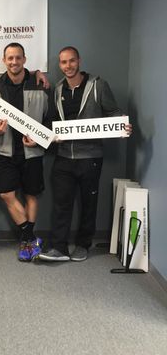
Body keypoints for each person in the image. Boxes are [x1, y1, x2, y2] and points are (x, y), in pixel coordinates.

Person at [39, 46, 131, 262]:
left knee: (88, 204)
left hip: (90, 157)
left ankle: (83, 245)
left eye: (71, 61)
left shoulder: (98, 85)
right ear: (59, 65)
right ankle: (59, 248)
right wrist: (44, 135)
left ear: (79, 61)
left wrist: (121, 125)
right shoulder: (58, 89)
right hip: (63, 157)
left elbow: (113, 112)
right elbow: (52, 122)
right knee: (61, 204)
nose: (68, 66)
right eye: (63, 62)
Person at [0, 42, 49, 262]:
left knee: (31, 195)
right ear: (4, 60)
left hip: (32, 153)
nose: (14, 62)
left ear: (24, 59)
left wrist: (39, 140)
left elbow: (50, 119)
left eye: (18, 58)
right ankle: (31, 238)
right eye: (10, 58)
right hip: (5, 152)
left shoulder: (39, 84)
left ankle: (26, 243)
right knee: (6, 194)